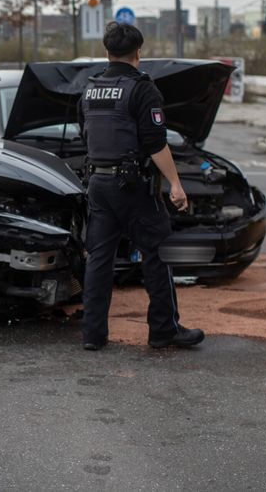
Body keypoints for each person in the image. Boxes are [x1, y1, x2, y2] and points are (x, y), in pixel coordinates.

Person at [77, 22, 204, 351]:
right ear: (139, 53)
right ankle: (163, 330)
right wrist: (176, 183)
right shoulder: (142, 89)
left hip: (98, 183)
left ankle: (93, 335)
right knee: (158, 254)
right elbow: (155, 144)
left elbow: (85, 135)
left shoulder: (90, 89)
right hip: (132, 187)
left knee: (100, 260)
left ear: (106, 52)